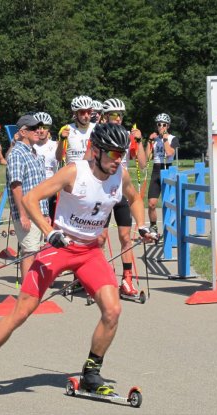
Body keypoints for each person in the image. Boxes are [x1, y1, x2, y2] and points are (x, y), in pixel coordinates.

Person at [0, 123, 156, 400]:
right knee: (21, 312)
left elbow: (135, 199)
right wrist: (51, 232)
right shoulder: (74, 172)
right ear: (95, 151)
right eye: (112, 154)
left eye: (121, 154)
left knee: (113, 310)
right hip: (61, 246)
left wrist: (141, 225)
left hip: (90, 251)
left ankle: (91, 375)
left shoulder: (120, 174)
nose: (117, 160)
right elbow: (31, 198)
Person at [100, 98, 146, 298]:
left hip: (121, 191)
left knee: (125, 237)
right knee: (99, 239)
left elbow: (143, 164)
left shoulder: (129, 136)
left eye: (120, 115)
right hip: (101, 191)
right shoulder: (99, 135)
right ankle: (99, 279)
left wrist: (141, 141)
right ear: (105, 116)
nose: (117, 119)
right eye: (113, 115)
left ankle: (127, 279)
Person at [5, 114, 49, 279]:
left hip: (38, 212)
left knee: (37, 251)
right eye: (33, 128)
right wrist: (23, 215)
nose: (38, 131)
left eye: (39, 128)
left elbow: (39, 185)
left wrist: (45, 213)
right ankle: (27, 294)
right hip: (28, 213)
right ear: (23, 132)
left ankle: (33, 290)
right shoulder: (17, 153)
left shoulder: (34, 152)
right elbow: (16, 186)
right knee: (29, 252)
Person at [143, 113, 179, 235]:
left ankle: (171, 230)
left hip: (168, 168)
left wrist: (164, 140)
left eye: (163, 124)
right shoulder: (154, 139)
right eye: (159, 124)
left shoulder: (173, 138)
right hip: (156, 169)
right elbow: (147, 157)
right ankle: (153, 227)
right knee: (151, 203)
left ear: (167, 126)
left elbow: (169, 153)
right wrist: (149, 141)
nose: (161, 127)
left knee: (169, 203)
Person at [32, 112, 58, 221]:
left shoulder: (55, 145)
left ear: (48, 129)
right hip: (34, 188)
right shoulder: (30, 145)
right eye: (39, 127)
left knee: (50, 224)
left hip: (51, 189)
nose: (41, 130)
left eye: (45, 127)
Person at [56, 95, 96, 165]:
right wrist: (62, 140)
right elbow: (58, 158)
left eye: (89, 112)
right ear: (75, 113)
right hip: (73, 173)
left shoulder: (97, 128)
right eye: (82, 112)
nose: (86, 115)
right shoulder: (67, 129)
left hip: (91, 173)